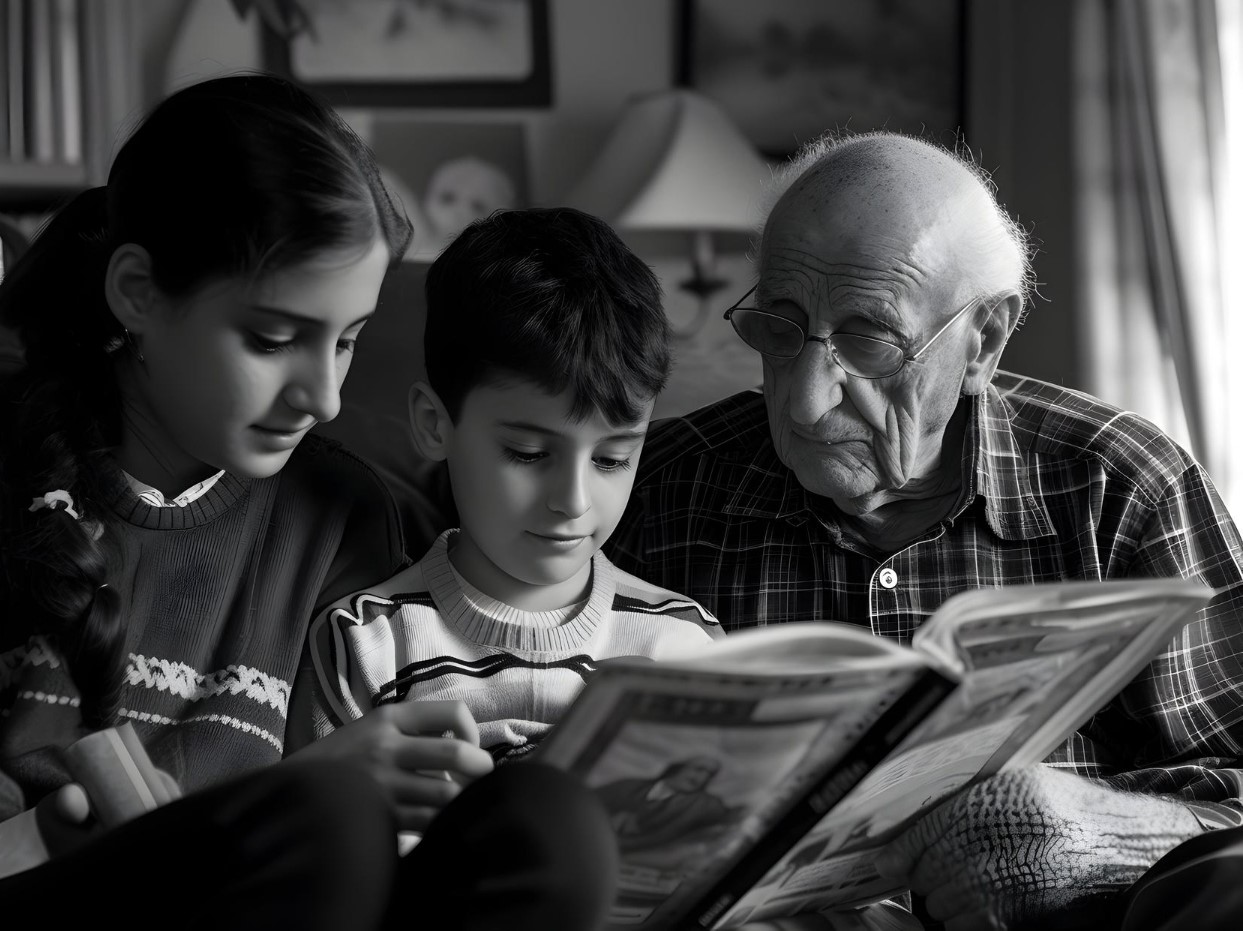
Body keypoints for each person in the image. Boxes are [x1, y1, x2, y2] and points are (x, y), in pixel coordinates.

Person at [0, 73, 616, 930]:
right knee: (325, 817)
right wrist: (47, 834)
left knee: (546, 823)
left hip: (310, 889)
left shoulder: (349, 514)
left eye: (351, 341)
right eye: (273, 339)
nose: (322, 397)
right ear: (138, 292)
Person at [604, 129, 1243, 929]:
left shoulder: (1120, 489)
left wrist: (1100, 832)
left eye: (867, 339)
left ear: (983, 341)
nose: (803, 402)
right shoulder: (657, 489)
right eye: (778, 326)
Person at [299, 206, 722, 764]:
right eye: (528, 453)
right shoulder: (364, 645)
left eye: (612, 459)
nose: (571, 501)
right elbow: (312, 835)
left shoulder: (684, 646)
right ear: (434, 424)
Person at [597, 755, 743, 854]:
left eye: (709, 774)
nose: (702, 778)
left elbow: (731, 819)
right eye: (699, 769)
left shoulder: (705, 805)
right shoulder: (627, 786)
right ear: (678, 767)